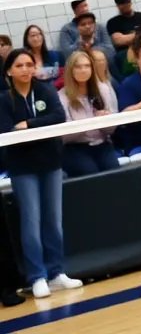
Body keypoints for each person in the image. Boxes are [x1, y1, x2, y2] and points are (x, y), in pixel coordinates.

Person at [0, 50, 83, 298]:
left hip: (51, 163)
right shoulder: (4, 100)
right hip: (23, 167)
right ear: (9, 71)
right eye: (19, 65)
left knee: (53, 220)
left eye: (29, 64)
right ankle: (37, 276)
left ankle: (57, 272)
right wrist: (34, 130)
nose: (25, 69)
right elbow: (7, 132)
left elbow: (58, 115)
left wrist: (29, 125)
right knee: (31, 222)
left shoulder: (45, 90)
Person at [58, 50, 121, 177]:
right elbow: (63, 137)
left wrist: (106, 121)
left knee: (113, 170)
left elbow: (111, 130)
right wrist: (86, 123)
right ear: (71, 70)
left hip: (101, 143)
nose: (83, 70)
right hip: (75, 147)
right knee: (90, 172)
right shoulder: (61, 96)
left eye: (87, 66)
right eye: (78, 67)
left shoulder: (103, 89)